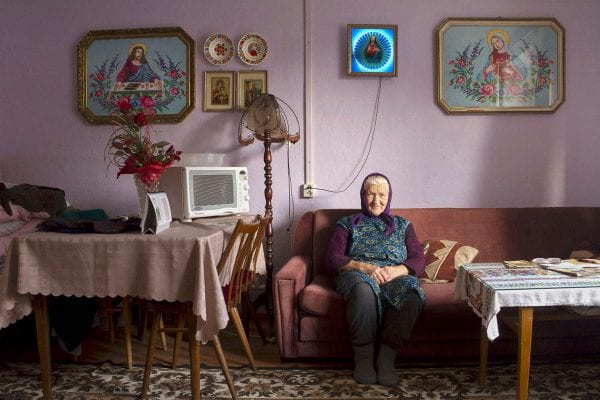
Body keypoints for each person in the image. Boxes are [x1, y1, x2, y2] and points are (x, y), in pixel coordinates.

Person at [324, 173, 425, 386]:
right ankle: (363, 358)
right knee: (362, 290)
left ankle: (386, 359)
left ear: (389, 197)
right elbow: (332, 258)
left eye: (382, 195)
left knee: (411, 293)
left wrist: (398, 270)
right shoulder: (347, 223)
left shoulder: (403, 225)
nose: (376, 200)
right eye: (371, 194)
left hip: (394, 274)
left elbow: (418, 258)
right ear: (362, 196)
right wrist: (365, 267)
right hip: (358, 273)